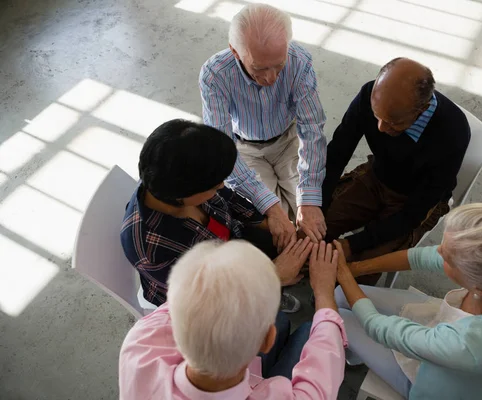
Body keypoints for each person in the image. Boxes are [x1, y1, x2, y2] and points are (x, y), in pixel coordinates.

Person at [333, 203, 482, 399]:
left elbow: (380, 328)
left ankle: (348, 352)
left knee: (338, 319)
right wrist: (355, 268)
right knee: (341, 296)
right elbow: (423, 257)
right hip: (455, 345)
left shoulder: (470, 345)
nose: (438, 252)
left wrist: (342, 275)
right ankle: (354, 352)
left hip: (434, 387)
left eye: (447, 258)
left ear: (480, 288)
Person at [119, 239, 347, 400]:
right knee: (309, 331)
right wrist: (324, 292)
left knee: (281, 321)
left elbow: (192, 296)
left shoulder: (140, 343)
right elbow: (326, 359)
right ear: (267, 341)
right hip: (259, 382)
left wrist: (270, 277)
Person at [120, 119, 308, 312]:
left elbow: (230, 199)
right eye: (215, 184)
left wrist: (270, 222)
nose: (221, 186)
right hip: (205, 297)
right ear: (184, 194)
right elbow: (207, 298)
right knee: (275, 324)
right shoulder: (151, 250)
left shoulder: (179, 179)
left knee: (279, 241)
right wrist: (272, 276)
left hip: (227, 245)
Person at [321, 57, 471, 284]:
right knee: (314, 230)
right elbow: (336, 154)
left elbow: (412, 214)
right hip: (377, 175)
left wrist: (353, 244)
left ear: (421, 110)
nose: (380, 128)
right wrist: (318, 208)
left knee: (360, 272)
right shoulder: (369, 94)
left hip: (417, 200)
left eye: (393, 123)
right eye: (376, 116)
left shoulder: (452, 133)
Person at [200, 3, 328, 248]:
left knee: (313, 220)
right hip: (244, 148)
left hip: (288, 139)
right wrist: (272, 208)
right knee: (275, 228)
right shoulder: (214, 75)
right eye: (259, 68)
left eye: (279, 65)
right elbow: (222, 148)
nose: (271, 79)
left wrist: (310, 200)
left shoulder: (299, 62)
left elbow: (312, 128)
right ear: (235, 52)